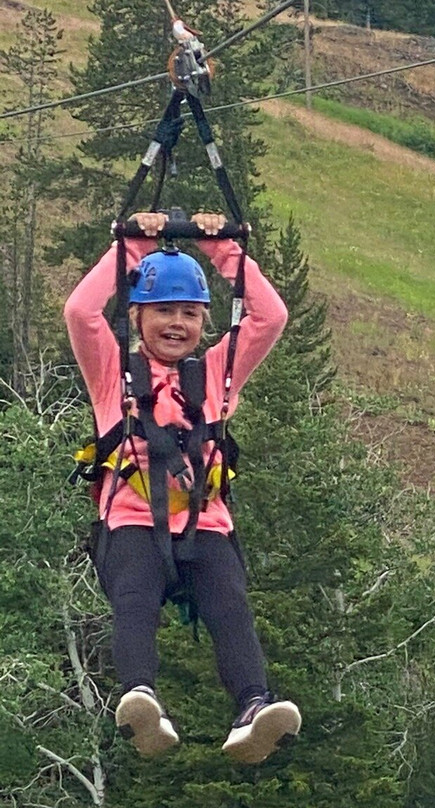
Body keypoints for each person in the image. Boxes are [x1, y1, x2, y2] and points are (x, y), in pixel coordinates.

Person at [64, 211, 301, 763]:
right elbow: (81, 311)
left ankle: (252, 707)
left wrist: (224, 251)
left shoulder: (216, 374)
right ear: (138, 317)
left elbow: (270, 316)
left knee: (230, 605)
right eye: (164, 312)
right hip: (131, 519)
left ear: (205, 322)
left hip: (205, 524)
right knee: (134, 599)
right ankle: (140, 695)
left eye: (190, 314)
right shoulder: (113, 374)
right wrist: (133, 246)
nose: (177, 324)